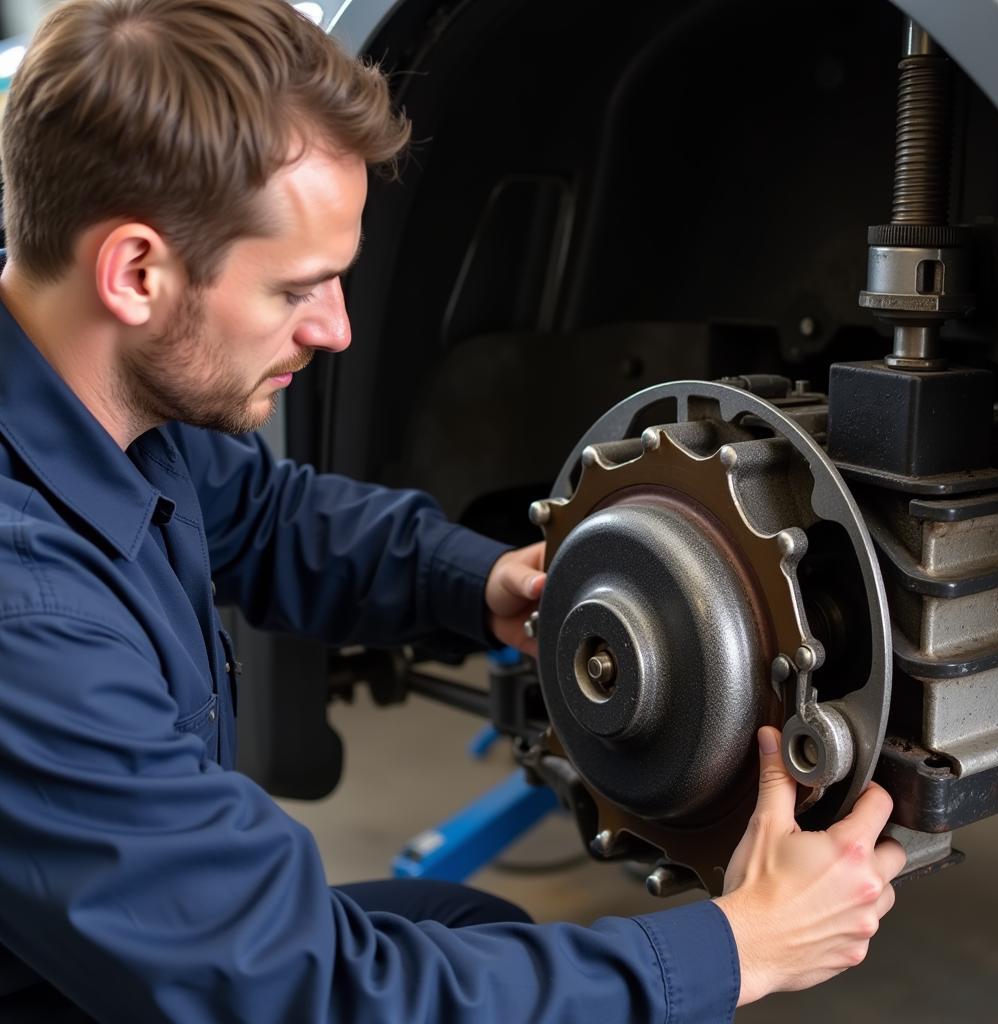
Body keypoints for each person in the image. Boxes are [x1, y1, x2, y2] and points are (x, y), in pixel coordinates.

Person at [0, 1, 905, 1020]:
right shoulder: (27, 622)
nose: (336, 328)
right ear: (135, 272)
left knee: (470, 929)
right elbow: (306, 990)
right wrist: (737, 948)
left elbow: (257, 514)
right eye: (298, 288)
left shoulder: (97, 399)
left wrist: (476, 579)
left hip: (87, 945)